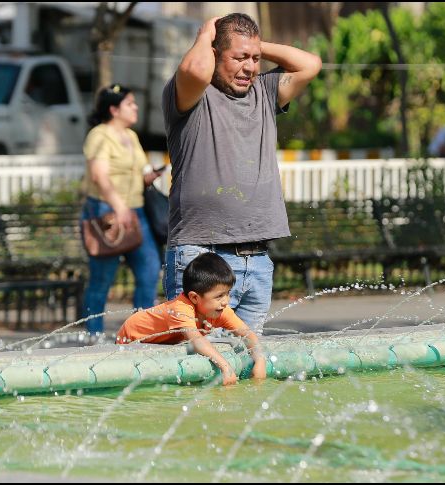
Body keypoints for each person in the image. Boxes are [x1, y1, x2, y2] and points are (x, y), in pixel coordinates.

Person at [161, 13, 322, 335]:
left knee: (246, 370)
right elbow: (195, 69)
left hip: (257, 258)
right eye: (239, 58)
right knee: (199, 368)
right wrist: (207, 32)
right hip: (202, 256)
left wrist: (252, 45)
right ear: (216, 53)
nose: (249, 67)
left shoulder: (264, 91)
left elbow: (310, 64)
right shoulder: (193, 94)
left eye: (255, 59)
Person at [80, 84, 166, 335]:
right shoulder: (99, 135)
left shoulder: (131, 136)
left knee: (149, 270)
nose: (136, 107)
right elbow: (99, 175)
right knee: (102, 278)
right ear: (114, 109)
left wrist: (151, 176)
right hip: (106, 211)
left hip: (136, 211)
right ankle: (93, 334)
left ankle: (140, 332)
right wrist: (119, 206)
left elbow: (141, 169)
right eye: (130, 103)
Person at [116, 252, 267, 386]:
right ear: (194, 297)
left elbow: (248, 335)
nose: (226, 301)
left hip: (158, 342)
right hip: (131, 338)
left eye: (228, 293)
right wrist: (225, 366)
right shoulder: (180, 308)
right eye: (219, 296)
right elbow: (197, 341)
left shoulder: (220, 310)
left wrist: (260, 361)